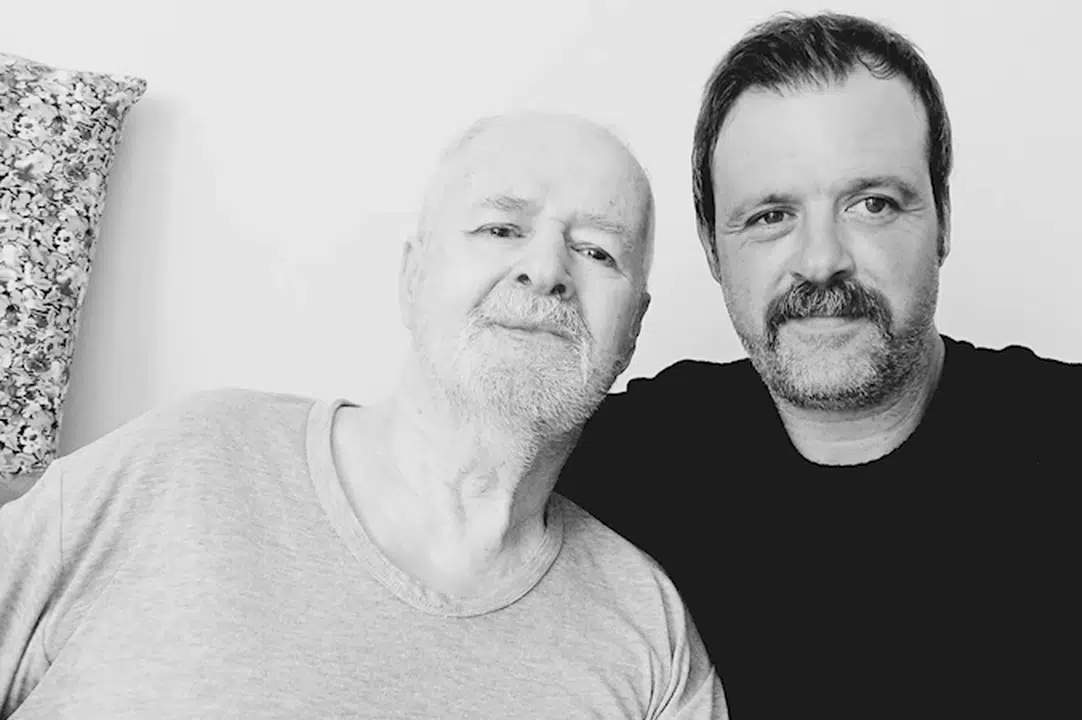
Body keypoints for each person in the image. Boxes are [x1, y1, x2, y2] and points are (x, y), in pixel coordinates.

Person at [557, 12, 1082, 719]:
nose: (821, 260)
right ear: (714, 249)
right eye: (771, 216)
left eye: (872, 203)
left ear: (943, 221)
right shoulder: (609, 461)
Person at [0, 111, 727, 719]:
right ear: (413, 277)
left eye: (596, 250)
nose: (545, 270)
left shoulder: (649, 634)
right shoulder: (185, 461)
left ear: (632, 330)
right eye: (501, 229)